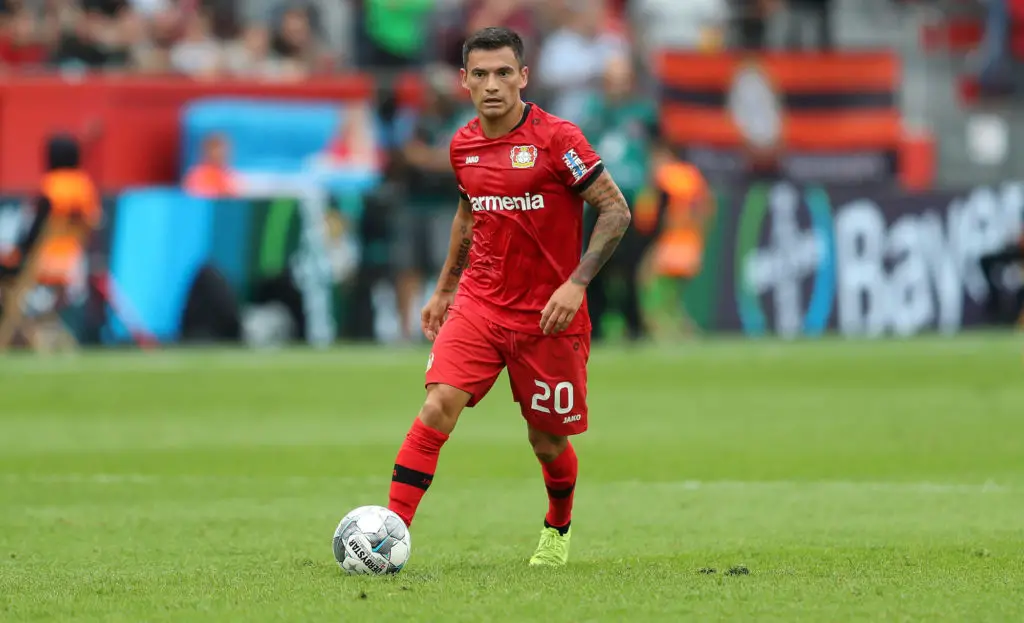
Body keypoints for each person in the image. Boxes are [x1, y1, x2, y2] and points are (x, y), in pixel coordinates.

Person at [385, 27, 632, 567]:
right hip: (480, 303)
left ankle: (558, 525)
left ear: (523, 76)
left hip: (548, 316)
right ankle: (388, 533)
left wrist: (576, 283)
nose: (492, 85)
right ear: (464, 80)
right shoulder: (462, 144)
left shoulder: (559, 140)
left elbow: (615, 210)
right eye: (480, 74)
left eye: (503, 73)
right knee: (437, 406)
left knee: (547, 443)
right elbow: (468, 213)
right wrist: (445, 289)